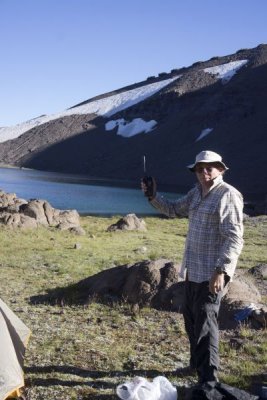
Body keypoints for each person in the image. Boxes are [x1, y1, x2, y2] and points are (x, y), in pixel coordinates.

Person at [141, 150, 244, 387]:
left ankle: (209, 380)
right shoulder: (196, 193)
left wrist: (221, 270)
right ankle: (196, 366)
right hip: (192, 272)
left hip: (212, 273)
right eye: (199, 168)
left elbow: (234, 238)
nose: (204, 172)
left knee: (206, 326)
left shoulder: (227, 195)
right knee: (192, 322)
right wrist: (152, 195)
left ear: (221, 169)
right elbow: (174, 209)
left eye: (209, 167)